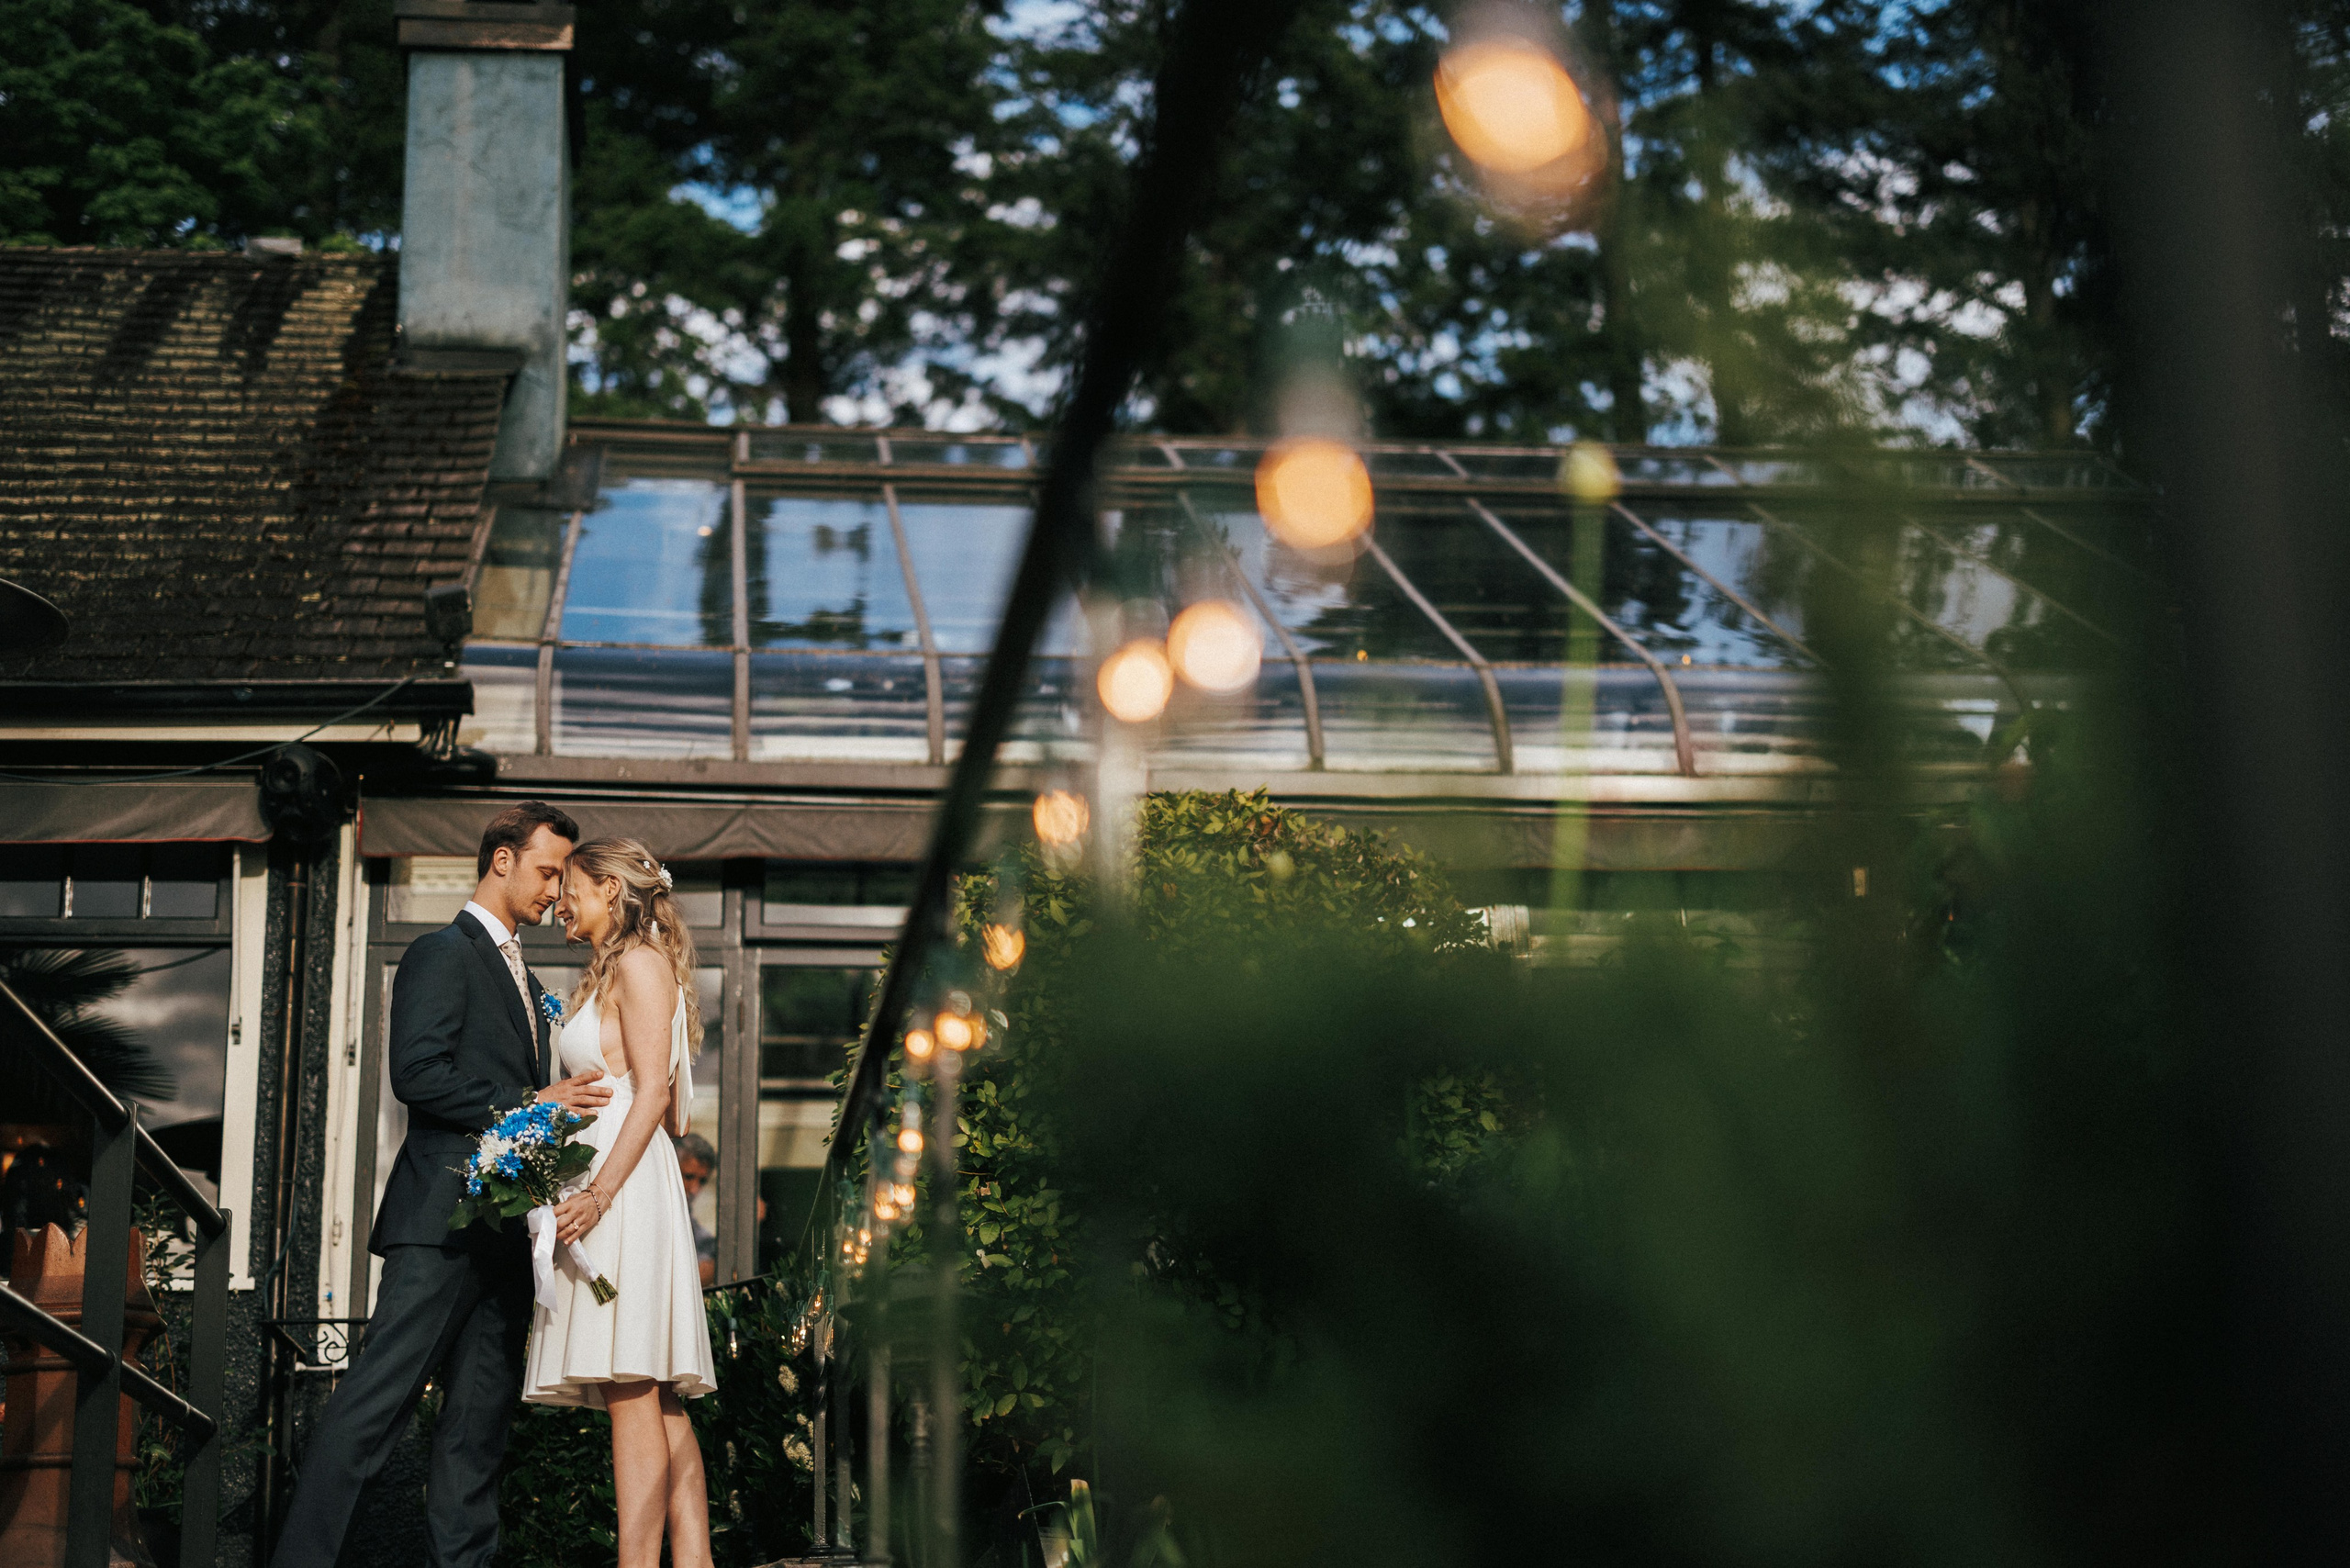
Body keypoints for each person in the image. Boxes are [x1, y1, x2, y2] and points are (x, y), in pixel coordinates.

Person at [274, 802, 607, 1568]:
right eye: (548, 870)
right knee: (372, 1411)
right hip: (438, 1223)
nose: (557, 890)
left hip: (504, 1234)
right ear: (501, 861)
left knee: (477, 1434)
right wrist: (534, 1102)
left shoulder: (527, 975)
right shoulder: (441, 951)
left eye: (563, 875)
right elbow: (415, 1075)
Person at [524, 837, 718, 1568]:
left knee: (631, 1385)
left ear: (610, 888)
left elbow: (654, 1093)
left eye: (570, 886)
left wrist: (600, 1195)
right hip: (607, 1176)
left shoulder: (638, 963)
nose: (560, 902)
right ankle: (693, 1560)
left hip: (624, 1186)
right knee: (650, 1394)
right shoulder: (613, 967)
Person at [674, 1132, 719, 1286]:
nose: (695, 1189)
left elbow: (706, 1245)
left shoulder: (686, 1214)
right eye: (689, 1177)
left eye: (702, 1181)